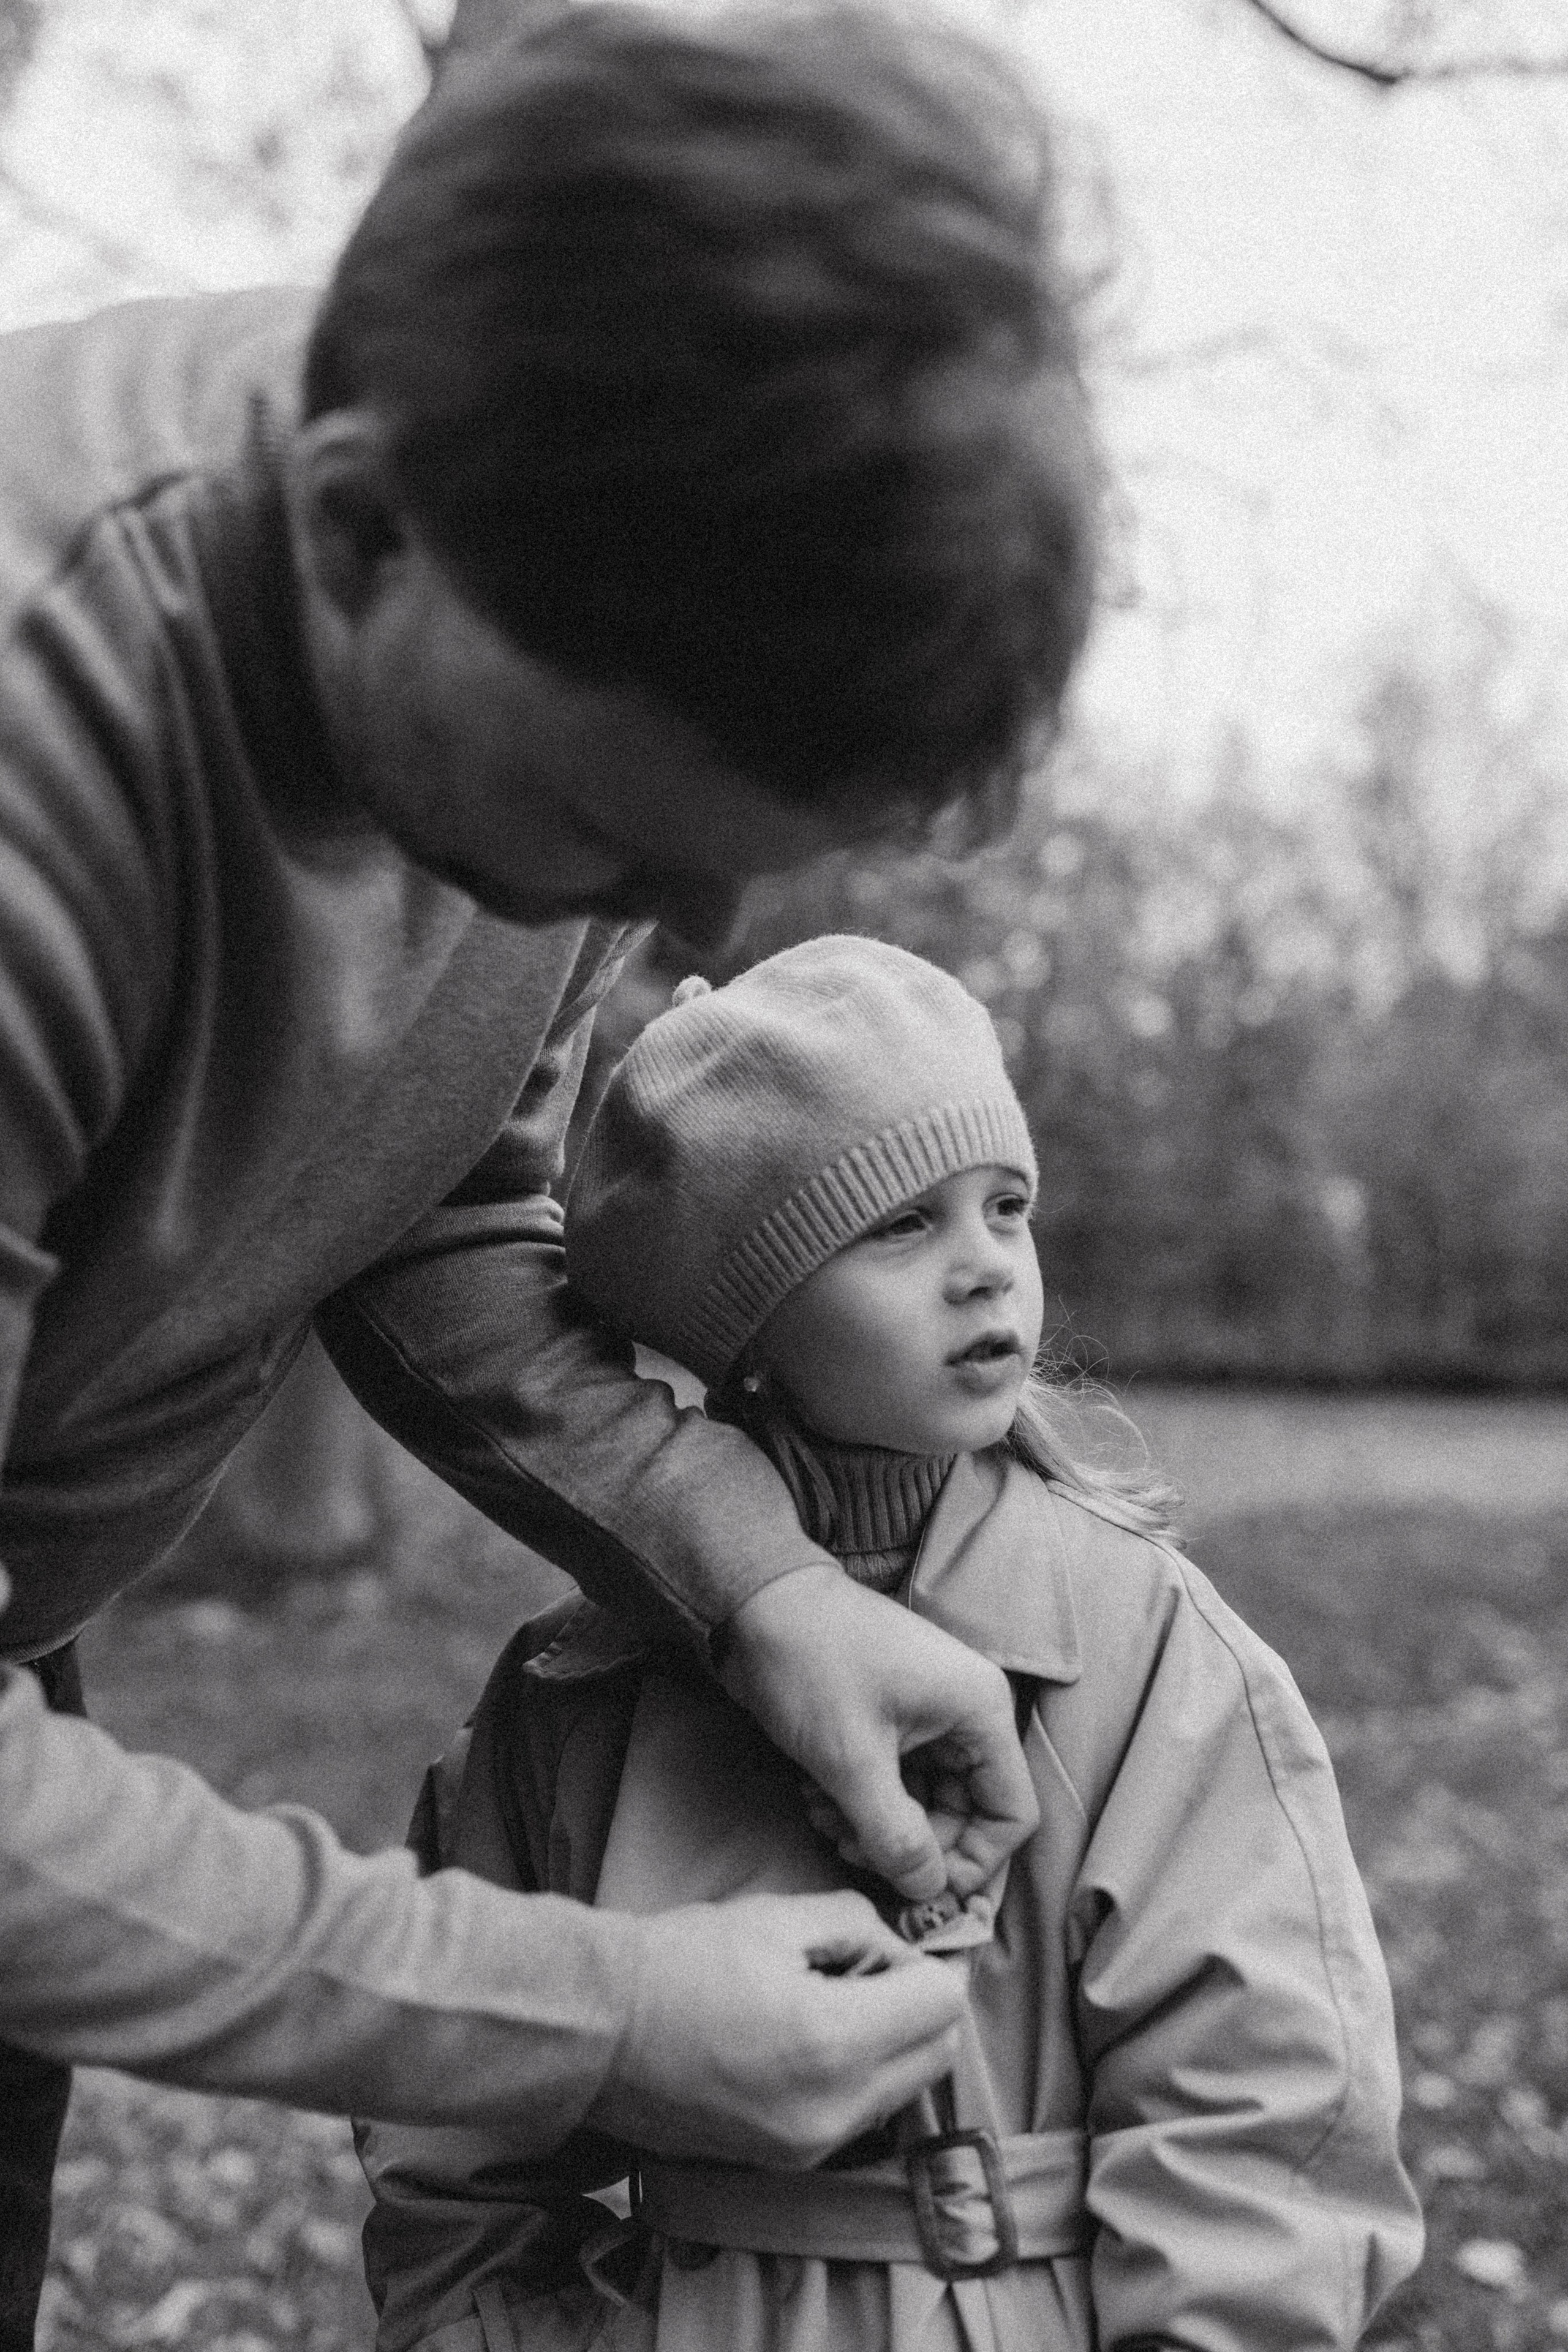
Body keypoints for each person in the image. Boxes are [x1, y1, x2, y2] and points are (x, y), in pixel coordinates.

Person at [0, 7, 1102, 2343]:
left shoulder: (535, 629)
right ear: (360, 525)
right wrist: (587, 2015)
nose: (685, 948)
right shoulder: (36, 738)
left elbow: (440, 1197)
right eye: (625, 844)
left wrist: (754, 1579)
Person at [354, 935, 1425, 2352]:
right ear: (742, 1319)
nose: (984, 1268)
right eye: (898, 1225)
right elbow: (458, 2121)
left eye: (1006, 1206)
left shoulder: (1144, 1647)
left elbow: (1259, 2103)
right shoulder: (579, 1691)